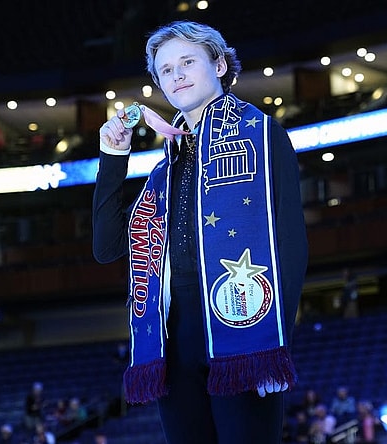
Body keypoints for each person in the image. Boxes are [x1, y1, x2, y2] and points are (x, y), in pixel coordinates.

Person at [92, 20, 308, 444]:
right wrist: (113, 157)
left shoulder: (263, 135)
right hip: (172, 343)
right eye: (166, 70)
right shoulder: (163, 170)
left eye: (188, 61)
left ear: (221, 65)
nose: (177, 75)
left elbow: (292, 244)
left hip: (243, 328)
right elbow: (106, 248)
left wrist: (272, 345)